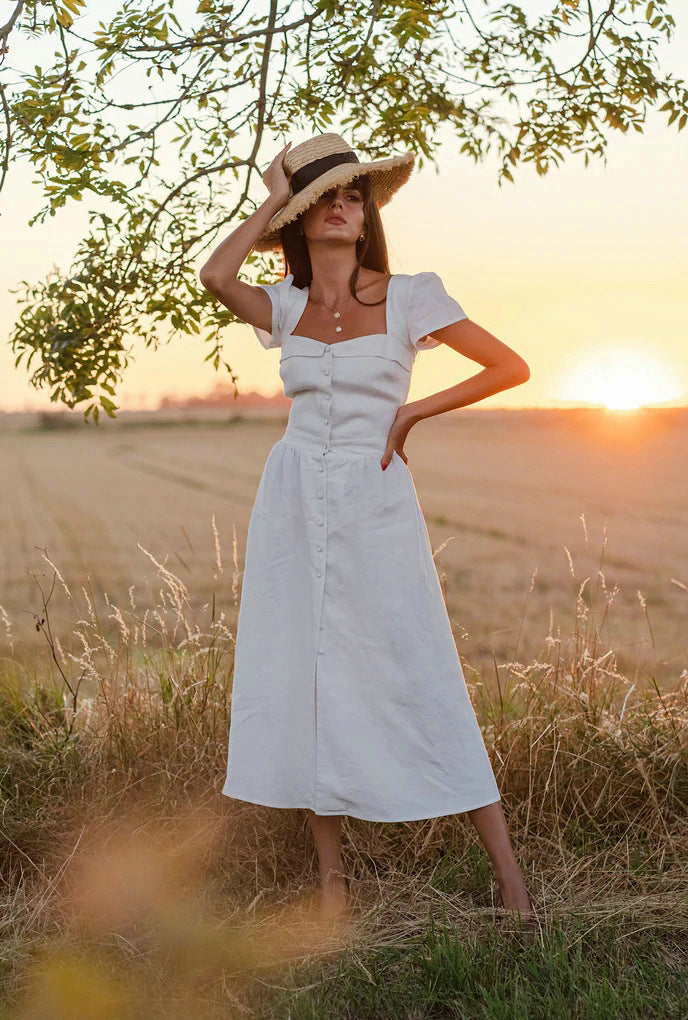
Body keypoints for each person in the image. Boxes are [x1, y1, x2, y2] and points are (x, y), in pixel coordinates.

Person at [199, 132, 535, 925]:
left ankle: (511, 877)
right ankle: (331, 882)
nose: (345, 206)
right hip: (292, 501)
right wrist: (273, 198)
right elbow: (215, 275)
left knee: (419, 665)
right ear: (302, 219)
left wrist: (415, 408)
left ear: (367, 213)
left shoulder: (412, 294)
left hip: (375, 497)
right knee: (311, 673)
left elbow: (509, 366)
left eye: (355, 196)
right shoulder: (285, 307)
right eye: (327, 198)